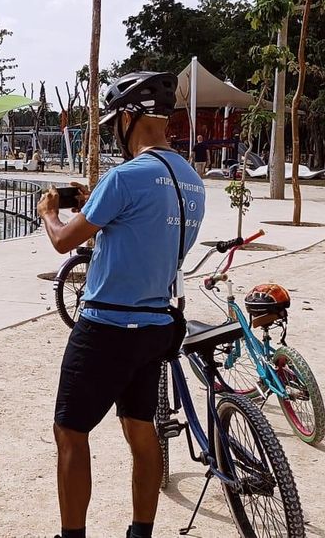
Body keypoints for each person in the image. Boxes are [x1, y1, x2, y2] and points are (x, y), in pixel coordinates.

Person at [36, 71, 205, 538]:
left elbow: (63, 242)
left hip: (107, 326)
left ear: (129, 117)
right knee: (140, 427)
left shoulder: (125, 177)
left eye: (115, 121)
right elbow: (143, 232)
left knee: (70, 432)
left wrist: (50, 212)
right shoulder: (192, 180)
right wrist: (98, 205)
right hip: (157, 326)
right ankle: (141, 533)